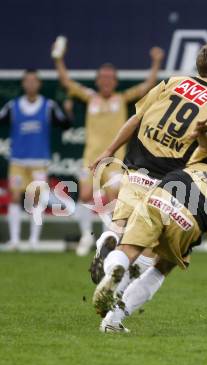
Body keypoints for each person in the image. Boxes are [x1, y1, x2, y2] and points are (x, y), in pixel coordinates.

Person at [89, 44, 207, 299]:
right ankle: (114, 300)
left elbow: (136, 119)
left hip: (137, 167)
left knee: (119, 225)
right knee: (151, 251)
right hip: (170, 181)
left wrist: (108, 151)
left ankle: (108, 244)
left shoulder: (172, 82)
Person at [94, 123, 207, 334]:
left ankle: (113, 269)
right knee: (163, 266)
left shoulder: (203, 161)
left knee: (129, 249)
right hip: (188, 222)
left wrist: (203, 133)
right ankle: (112, 321)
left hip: (160, 196)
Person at [52, 37, 165, 256]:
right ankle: (86, 236)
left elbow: (147, 85)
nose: (106, 81)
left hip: (114, 160)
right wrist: (58, 59)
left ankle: (107, 240)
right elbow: (66, 82)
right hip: (91, 159)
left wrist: (156, 62)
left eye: (110, 78)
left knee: (114, 198)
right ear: (97, 81)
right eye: (102, 77)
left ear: (115, 81)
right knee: (85, 194)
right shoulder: (90, 98)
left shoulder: (122, 99)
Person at [0, 69, 71, 250]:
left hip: (39, 162)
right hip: (18, 161)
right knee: (15, 198)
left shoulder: (48, 106)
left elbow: (64, 124)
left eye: (34, 81)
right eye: (27, 81)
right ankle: (15, 241)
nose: (31, 84)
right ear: (23, 84)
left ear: (39, 84)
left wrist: (69, 112)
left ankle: (33, 241)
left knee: (37, 200)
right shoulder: (12, 106)